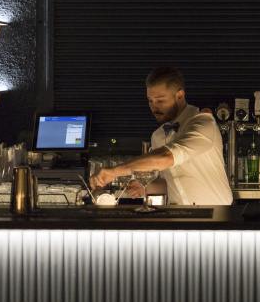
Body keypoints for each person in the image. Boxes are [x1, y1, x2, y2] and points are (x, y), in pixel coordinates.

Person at [90, 67, 233, 206]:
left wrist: (113, 172)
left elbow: (166, 157)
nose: (154, 107)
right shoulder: (158, 135)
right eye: (150, 100)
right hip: (178, 214)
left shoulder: (203, 123)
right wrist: (145, 188)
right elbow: (169, 182)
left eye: (160, 100)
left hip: (215, 213)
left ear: (179, 96)